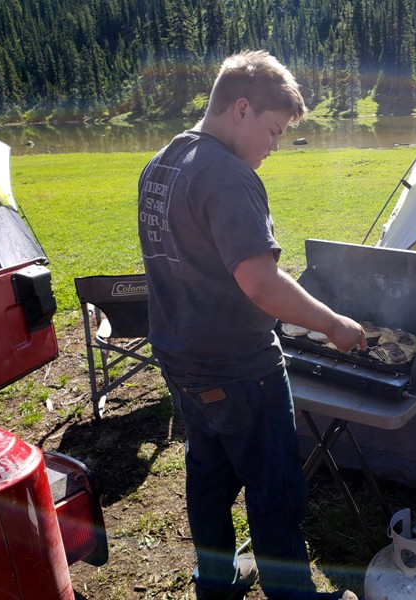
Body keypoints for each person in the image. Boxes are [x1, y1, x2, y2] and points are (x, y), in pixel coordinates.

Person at [137, 50, 366, 600]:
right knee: (275, 491)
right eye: (273, 129)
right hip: (241, 369)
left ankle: (215, 579)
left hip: (181, 359)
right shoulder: (227, 175)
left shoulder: (163, 162)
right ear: (241, 109)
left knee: (209, 474)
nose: (275, 145)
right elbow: (260, 282)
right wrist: (334, 324)